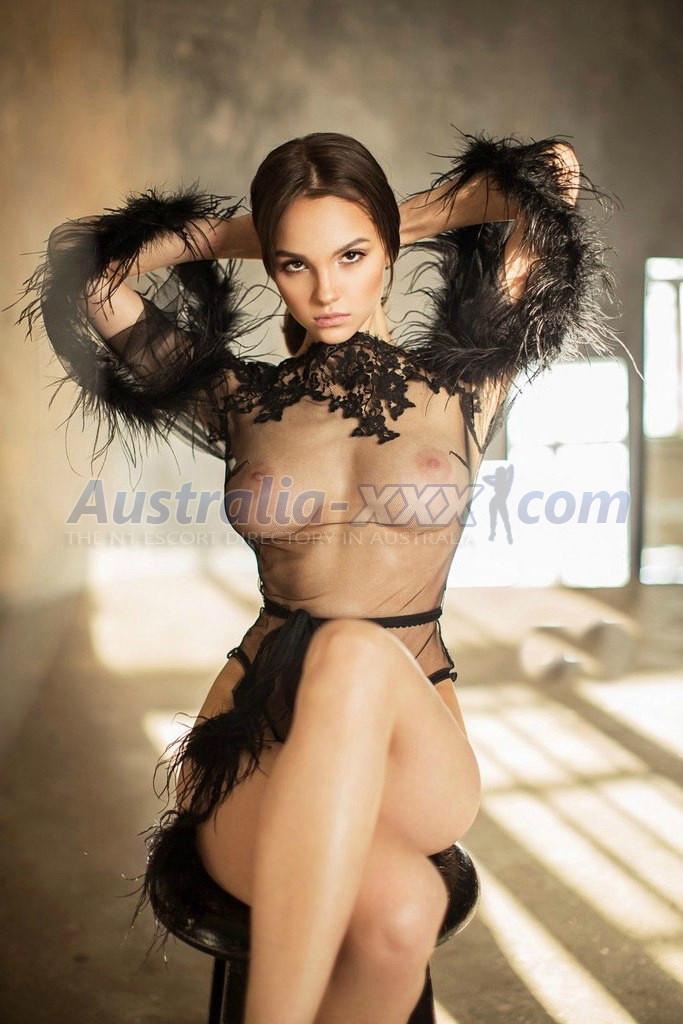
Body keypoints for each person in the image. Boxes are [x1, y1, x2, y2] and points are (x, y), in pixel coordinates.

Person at [14, 128, 618, 1024]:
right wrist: (259, 230)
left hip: (413, 748)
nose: (325, 289)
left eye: (351, 256)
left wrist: (384, 217)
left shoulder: (468, 385)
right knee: (400, 914)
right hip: (255, 740)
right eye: (294, 264)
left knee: (351, 651)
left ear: (386, 251)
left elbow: (552, 177)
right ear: (271, 267)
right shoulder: (237, 398)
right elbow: (89, 273)